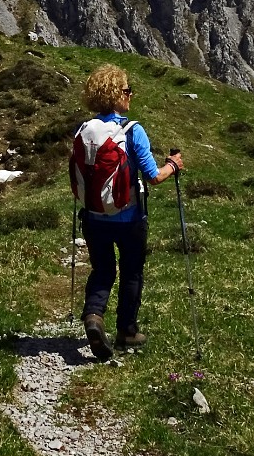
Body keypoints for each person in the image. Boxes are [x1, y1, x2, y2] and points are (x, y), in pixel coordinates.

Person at [76, 63, 182, 361]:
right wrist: (173, 165)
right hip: (129, 217)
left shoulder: (84, 130)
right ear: (116, 95)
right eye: (126, 90)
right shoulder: (133, 130)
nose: (130, 95)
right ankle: (127, 330)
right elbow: (153, 176)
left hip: (94, 216)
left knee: (103, 270)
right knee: (131, 271)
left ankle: (94, 317)